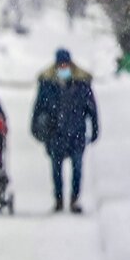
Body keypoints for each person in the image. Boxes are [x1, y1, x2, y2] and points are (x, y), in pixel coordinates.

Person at [30, 48, 100, 213]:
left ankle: (74, 199)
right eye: (60, 64)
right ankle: (59, 199)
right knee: (56, 169)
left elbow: (91, 108)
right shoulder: (47, 84)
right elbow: (38, 108)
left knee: (77, 168)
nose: (63, 68)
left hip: (77, 132)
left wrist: (95, 129)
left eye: (65, 64)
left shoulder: (82, 84)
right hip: (55, 133)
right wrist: (36, 128)